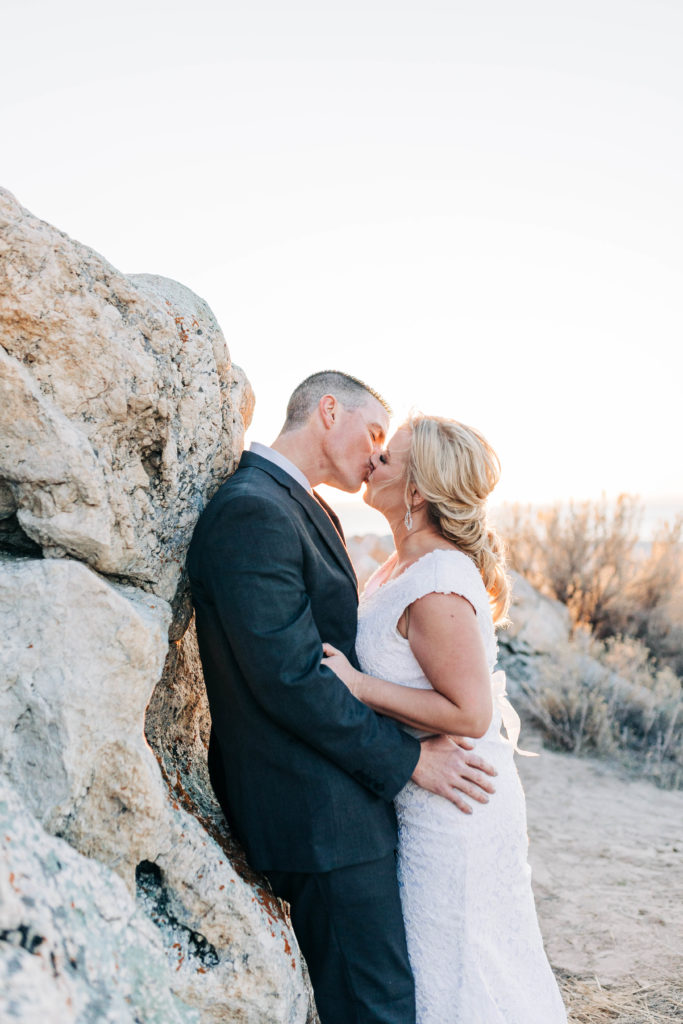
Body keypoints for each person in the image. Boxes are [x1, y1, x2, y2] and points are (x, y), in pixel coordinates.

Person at [186, 373, 497, 1024]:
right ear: (329, 411)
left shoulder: (304, 506)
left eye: (390, 445)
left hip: (344, 806)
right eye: (373, 434)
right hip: (317, 816)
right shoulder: (253, 508)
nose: (376, 455)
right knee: (373, 1007)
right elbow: (291, 678)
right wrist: (408, 761)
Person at [322, 415, 568, 1024]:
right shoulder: (400, 565)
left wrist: (359, 686)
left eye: (388, 457)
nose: (373, 460)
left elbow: (470, 712)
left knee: (457, 971)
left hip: (457, 804)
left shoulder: (436, 581)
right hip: (426, 790)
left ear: (415, 492)